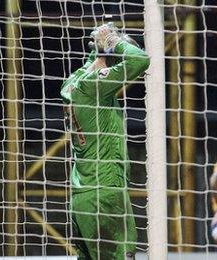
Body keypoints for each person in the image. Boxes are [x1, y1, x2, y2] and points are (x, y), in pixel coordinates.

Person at [60, 22, 149, 260]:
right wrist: (112, 40)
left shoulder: (73, 83)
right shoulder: (94, 86)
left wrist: (98, 48)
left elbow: (93, 63)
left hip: (82, 196)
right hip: (105, 194)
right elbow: (140, 60)